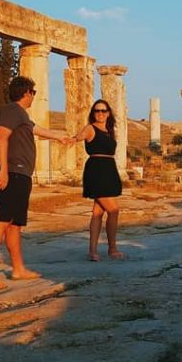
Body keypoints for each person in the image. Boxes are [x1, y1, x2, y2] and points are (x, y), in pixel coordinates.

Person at [0, 76, 72, 289]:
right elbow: (1, 137)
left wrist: (59, 137)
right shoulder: (12, 110)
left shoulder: (21, 115)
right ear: (27, 92)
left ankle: (18, 269)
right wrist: (5, 171)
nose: (34, 96)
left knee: (15, 224)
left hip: (21, 174)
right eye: (33, 92)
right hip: (14, 172)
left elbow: (35, 129)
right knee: (2, 220)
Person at [73, 99, 124, 261]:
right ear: (93, 113)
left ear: (108, 113)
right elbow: (77, 137)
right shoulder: (90, 128)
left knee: (97, 213)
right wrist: (65, 139)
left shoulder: (110, 131)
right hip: (96, 170)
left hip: (109, 170)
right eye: (97, 111)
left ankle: (93, 251)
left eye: (103, 111)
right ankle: (112, 248)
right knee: (113, 210)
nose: (100, 113)